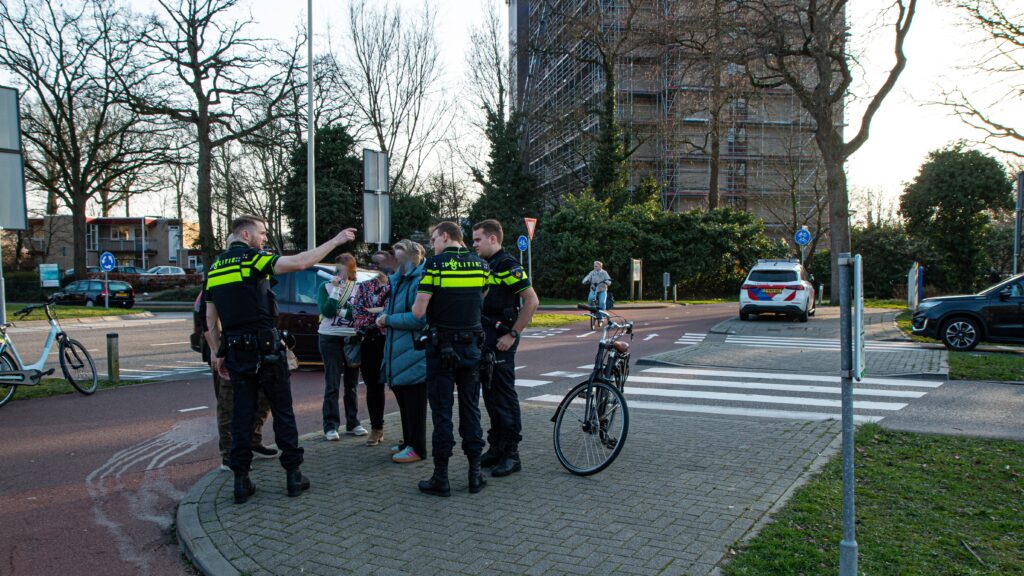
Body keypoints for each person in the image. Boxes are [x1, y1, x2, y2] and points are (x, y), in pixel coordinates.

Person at [204, 214, 356, 504]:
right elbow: (299, 262)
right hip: (266, 349)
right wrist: (336, 241)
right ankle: (293, 476)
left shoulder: (214, 268)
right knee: (283, 412)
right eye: (262, 233)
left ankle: (241, 481)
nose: (264, 238)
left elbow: (210, 320)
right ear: (246, 235)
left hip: (235, 351)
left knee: (241, 415)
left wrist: (217, 352)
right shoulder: (252, 259)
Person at [412, 222, 490, 496]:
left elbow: (418, 311)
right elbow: (481, 297)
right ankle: (474, 474)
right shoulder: (481, 266)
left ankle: (441, 478)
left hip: (441, 348)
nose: (432, 245)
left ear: (445, 236)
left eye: (433, 239)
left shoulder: (434, 266)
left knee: (442, 411)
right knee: (471, 409)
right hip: (472, 348)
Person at [197, 249, 277, 472]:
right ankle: (228, 455)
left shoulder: (255, 278)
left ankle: (253, 440)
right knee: (229, 403)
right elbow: (207, 319)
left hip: (255, 347)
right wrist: (216, 351)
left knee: (263, 397)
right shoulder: (218, 276)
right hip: (229, 349)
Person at [471, 219, 539, 478]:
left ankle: (512, 453)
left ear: (493, 239)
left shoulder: (508, 265)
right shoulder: (487, 265)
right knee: (490, 394)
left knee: (504, 396)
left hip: (502, 339)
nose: (474, 244)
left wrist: (513, 334)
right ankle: (497, 447)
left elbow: (531, 301)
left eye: (478, 239)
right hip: (487, 337)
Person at [376, 240, 428, 463]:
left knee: (414, 403)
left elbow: (420, 318)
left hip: (413, 351)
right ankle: (408, 442)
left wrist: (388, 319)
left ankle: (417, 447)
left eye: (398, 258)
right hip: (399, 349)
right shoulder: (399, 279)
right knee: (405, 401)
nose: (394, 263)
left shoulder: (420, 280)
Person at [317, 253, 367, 441]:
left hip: (351, 338)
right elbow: (327, 311)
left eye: (345, 269)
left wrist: (340, 311)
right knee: (332, 383)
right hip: (329, 338)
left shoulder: (358, 288)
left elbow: (358, 314)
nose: (341, 273)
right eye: (338, 268)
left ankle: (353, 422)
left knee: (352, 384)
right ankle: (330, 425)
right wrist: (336, 290)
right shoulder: (325, 286)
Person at [350, 257, 390, 446]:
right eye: (374, 264)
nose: (377, 268)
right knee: (373, 386)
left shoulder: (396, 286)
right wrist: (380, 315)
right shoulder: (365, 286)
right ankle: (376, 428)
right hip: (370, 341)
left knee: (402, 387)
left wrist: (377, 312)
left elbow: (396, 311)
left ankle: (410, 434)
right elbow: (358, 313)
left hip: (391, 340)